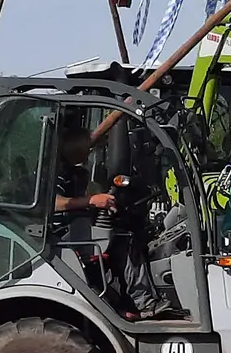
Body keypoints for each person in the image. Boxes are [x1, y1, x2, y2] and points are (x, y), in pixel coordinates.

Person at [54, 126, 168, 321]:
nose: (89, 152)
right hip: (62, 235)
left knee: (123, 230)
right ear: (74, 149)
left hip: (77, 227)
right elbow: (55, 203)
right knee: (123, 241)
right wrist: (92, 201)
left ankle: (122, 302)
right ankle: (143, 302)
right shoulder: (56, 173)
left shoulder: (75, 172)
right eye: (87, 149)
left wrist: (103, 206)